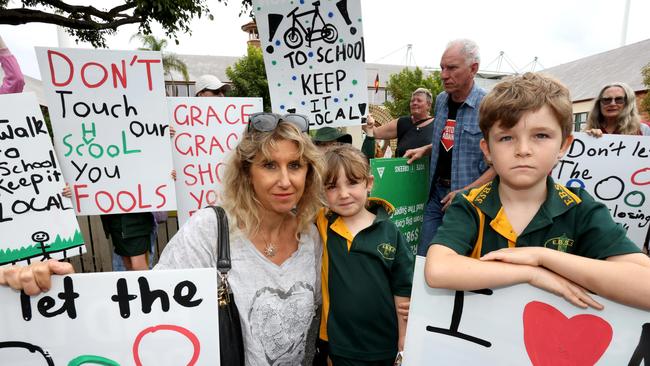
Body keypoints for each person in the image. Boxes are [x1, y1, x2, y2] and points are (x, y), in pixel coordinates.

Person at [1, 115, 326, 365]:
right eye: (270, 165)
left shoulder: (314, 236)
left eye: (295, 165)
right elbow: (146, 313)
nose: (285, 180)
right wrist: (66, 295)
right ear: (246, 172)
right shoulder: (210, 230)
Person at [425, 72, 650, 310]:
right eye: (506, 138)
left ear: (563, 146)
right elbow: (438, 270)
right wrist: (531, 274)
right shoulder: (469, 204)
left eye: (541, 135)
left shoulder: (580, 207)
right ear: (487, 150)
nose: (523, 150)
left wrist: (541, 257)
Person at [316, 144, 413, 365]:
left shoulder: (391, 232)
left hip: (384, 346)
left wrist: (404, 335)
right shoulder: (322, 223)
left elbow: (402, 288)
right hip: (340, 346)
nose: (343, 194)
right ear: (322, 192)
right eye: (331, 186)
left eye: (352, 182)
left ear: (368, 183)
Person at [404, 39, 496, 256]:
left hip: (472, 201)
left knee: (461, 263)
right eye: (442, 67)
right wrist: (426, 149)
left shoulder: (489, 106)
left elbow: (501, 163)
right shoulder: (441, 100)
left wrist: (466, 191)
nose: (444, 75)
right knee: (424, 258)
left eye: (452, 68)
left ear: (473, 69)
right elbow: (452, 139)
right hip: (437, 195)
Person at [362, 87, 434, 157]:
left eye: (419, 100)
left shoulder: (437, 125)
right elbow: (376, 133)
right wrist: (361, 117)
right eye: (412, 100)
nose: (414, 103)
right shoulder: (402, 122)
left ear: (428, 105)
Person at [583, 82, 650, 136]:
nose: (612, 104)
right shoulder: (588, 131)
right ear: (599, 104)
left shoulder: (644, 130)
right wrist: (588, 138)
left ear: (628, 103)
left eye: (619, 99)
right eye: (607, 100)